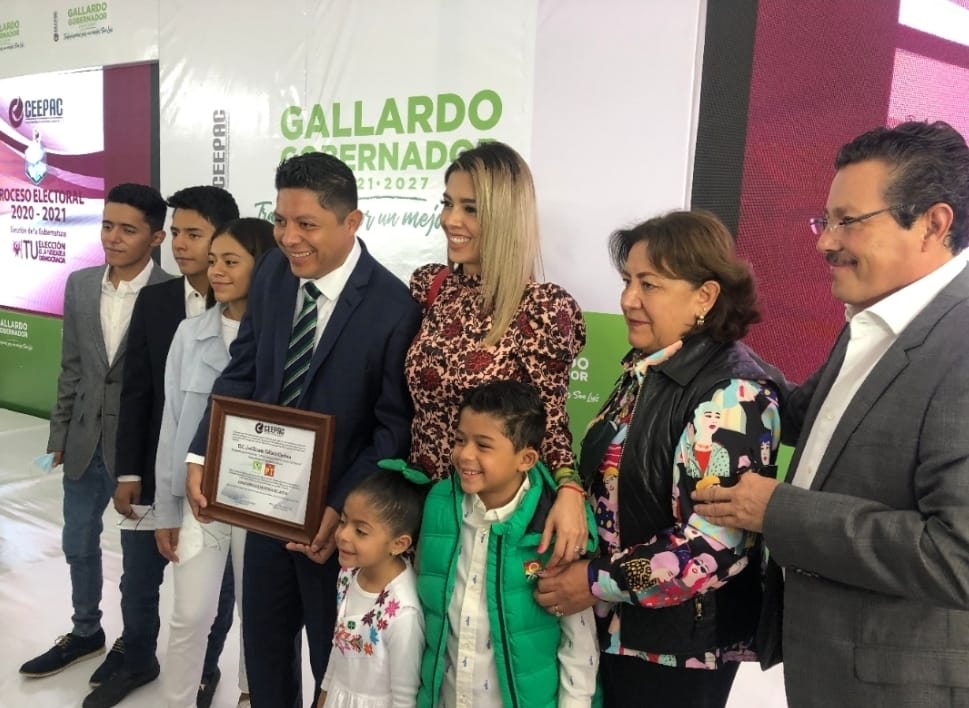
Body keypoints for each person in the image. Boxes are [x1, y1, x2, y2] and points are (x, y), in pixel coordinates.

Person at [693, 120, 969, 707]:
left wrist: (779, 511)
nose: (824, 243)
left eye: (849, 221)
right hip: (828, 670)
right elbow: (805, 414)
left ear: (933, 224)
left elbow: (957, 557)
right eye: (826, 221)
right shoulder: (875, 321)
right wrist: (708, 351)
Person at [186, 152, 422, 707]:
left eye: (307, 224)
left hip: (337, 533)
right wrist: (202, 454)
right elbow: (243, 370)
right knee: (265, 655)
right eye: (281, 220)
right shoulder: (272, 273)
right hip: (264, 510)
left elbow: (391, 430)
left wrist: (340, 508)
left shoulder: (394, 308)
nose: (289, 238)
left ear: (351, 222)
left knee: (331, 666)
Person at [534, 210, 783, 708]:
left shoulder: (731, 396)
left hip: (678, 651)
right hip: (617, 631)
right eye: (627, 281)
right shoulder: (647, 368)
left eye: (649, 284)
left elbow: (710, 549)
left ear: (705, 296)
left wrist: (596, 581)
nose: (628, 299)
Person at [85, 185, 240, 708]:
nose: (180, 244)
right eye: (175, 232)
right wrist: (129, 471)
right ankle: (137, 657)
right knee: (137, 576)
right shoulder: (156, 300)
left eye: (194, 234)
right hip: (153, 467)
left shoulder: (252, 309)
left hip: (218, 480)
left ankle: (204, 668)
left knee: (213, 589)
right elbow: (137, 390)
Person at [406, 141, 589, 567]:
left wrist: (569, 487)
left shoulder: (542, 309)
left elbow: (550, 422)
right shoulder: (431, 288)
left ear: (505, 216)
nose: (450, 219)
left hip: (490, 516)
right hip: (422, 502)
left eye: (470, 208)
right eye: (448, 203)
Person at [20, 185, 171, 694]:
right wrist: (58, 432)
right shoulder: (80, 284)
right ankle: (86, 631)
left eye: (128, 229)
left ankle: (133, 644)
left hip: (140, 453)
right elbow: (72, 367)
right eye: (107, 225)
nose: (113, 237)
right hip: (85, 439)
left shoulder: (171, 293)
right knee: (77, 541)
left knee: (137, 562)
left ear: (156, 238)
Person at [417, 380, 599, 708]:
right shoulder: (438, 505)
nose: (465, 455)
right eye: (460, 440)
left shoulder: (556, 527)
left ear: (526, 459)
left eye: (483, 445)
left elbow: (579, 640)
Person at [155, 218, 277, 708]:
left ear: (264, 267)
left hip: (261, 498)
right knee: (189, 614)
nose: (217, 272)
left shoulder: (285, 338)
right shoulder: (189, 334)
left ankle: (253, 694)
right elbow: (172, 423)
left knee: (260, 616)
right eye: (213, 262)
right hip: (199, 498)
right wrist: (166, 507)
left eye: (231, 261)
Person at [316, 464, 427, 708]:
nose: (343, 535)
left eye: (360, 531)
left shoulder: (402, 613)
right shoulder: (348, 574)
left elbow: (404, 699)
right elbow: (339, 644)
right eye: (343, 521)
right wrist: (324, 693)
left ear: (399, 544)